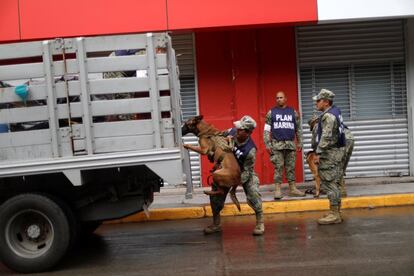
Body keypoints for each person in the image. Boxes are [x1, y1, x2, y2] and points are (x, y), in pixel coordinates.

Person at [204, 115, 264, 236]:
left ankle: (260, 222)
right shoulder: (231, 132)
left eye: (241, 129)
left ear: (248, 132)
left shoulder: (250, 150)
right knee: (216, 196)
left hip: (244, 173)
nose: (237, 130)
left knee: (254, 193)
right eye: (238, 128)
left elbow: (247, 170)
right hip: (227, 169)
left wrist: (234, 182)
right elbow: (217, 137)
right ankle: (216, 224)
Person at [264, 91, 305, 200]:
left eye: (281, 97)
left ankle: (293, 188)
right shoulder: (271, 113)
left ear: (285, 98)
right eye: (277, 98)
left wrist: (300, 142)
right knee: (279, 167)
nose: (279, 99)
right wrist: (267, 144)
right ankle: (278, 189)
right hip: (277, 145)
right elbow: (267, 130)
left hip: (290, 145)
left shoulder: (293, 112)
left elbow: (298, 129)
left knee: (290, 167)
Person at [312, 89, 345, 225]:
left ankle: (335, 214)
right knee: (334, 183)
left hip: (330, 153)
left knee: (330, 183)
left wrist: (318, 153)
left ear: (326, 102)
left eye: (318, 100)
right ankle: (335, 211)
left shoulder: (329, 116)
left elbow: (326, 136)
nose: (316, 103)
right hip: (335, 152)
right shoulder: (334, 111)